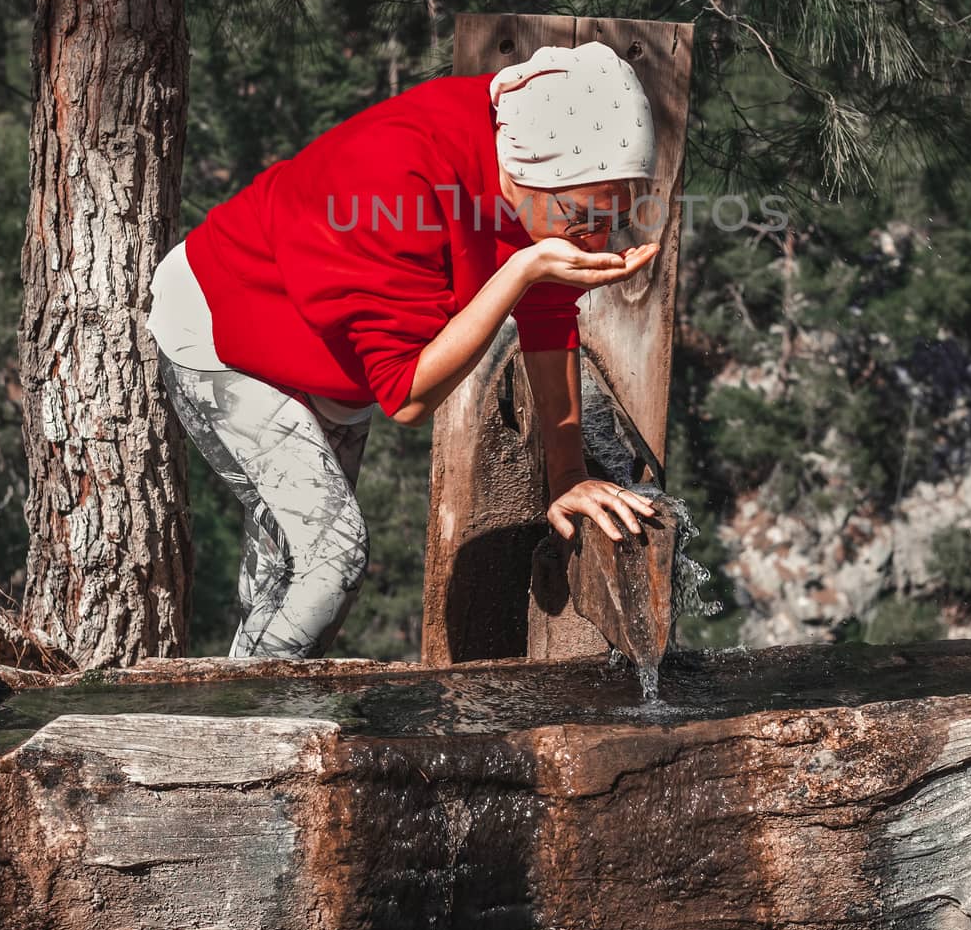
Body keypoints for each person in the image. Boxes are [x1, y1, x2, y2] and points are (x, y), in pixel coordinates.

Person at [147, 40, 661, 660]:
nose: (598, 237)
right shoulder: (399, 174)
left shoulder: (527, 163)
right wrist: (520, 274)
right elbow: (408, 398)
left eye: (620, 216)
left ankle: (248, 714)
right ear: (529, 172)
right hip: (228, 328)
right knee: (331, 560)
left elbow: (549, 321)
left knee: (289, 574)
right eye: (581, 216)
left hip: (333, 351)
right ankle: (245, 737)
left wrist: (569, 476)